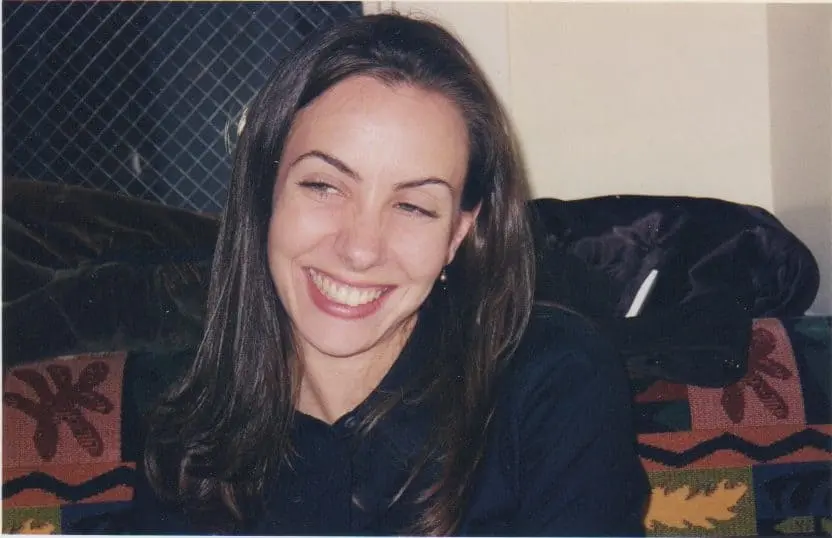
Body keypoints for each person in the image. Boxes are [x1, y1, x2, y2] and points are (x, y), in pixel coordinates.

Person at [114, 12, 649, 536]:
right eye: (324, 186)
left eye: (413, 206)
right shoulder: (186, 422)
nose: (360, 249)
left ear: (458, 235)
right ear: (265, 192)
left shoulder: (553, 384)